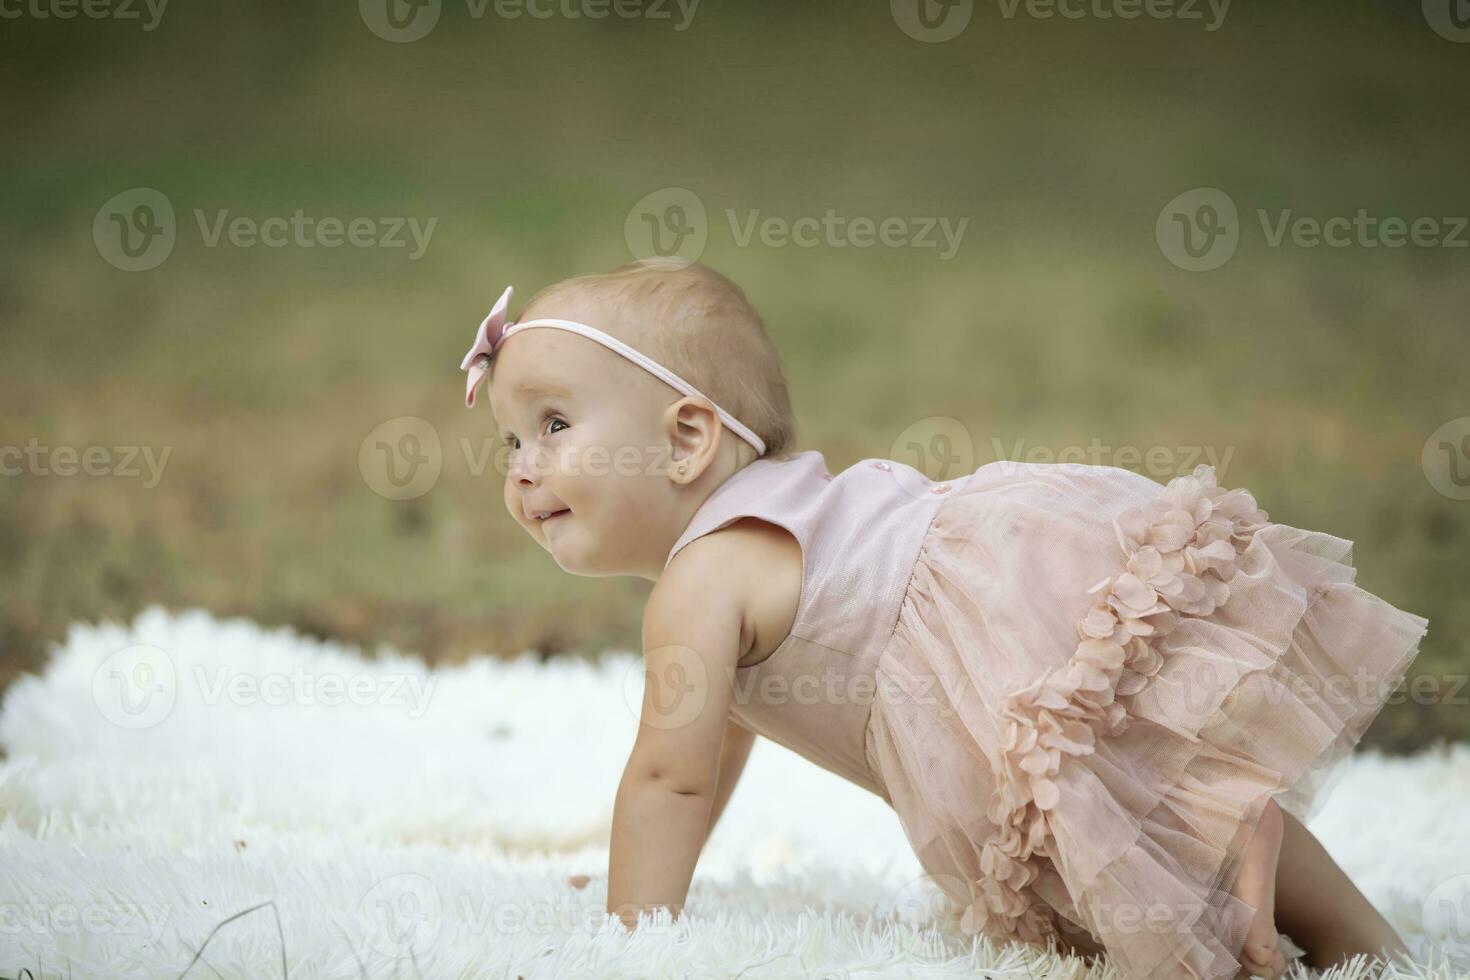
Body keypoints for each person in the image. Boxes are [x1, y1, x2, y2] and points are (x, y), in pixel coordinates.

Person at [459, 258, 1429, 980]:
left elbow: (666, 774)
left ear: (686, 440)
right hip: (1009, 589)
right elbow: (708, 750)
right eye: (510, 438)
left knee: (1133, 816)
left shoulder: (698, 583)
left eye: (554, 425)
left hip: (971, 646)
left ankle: (1287, 936)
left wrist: (635, 932)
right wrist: (657, 877)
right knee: (1173, 788)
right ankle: (1361, 941)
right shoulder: (721, 558)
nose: (522, 464)